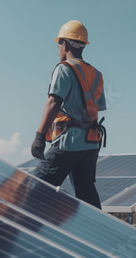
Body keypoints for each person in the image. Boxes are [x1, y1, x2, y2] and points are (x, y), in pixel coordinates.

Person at [31, 20, 107, 209]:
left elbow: (54, 101)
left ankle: (18, 231)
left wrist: (39, 136)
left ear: (65, 44)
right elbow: (98, 108)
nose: (58, 49)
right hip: (90, 144)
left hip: (68, 142)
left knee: (34, 188)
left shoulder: (64, 68)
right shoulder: (96, 74)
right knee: (87, 195)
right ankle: (97, 234)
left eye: (58, 43)